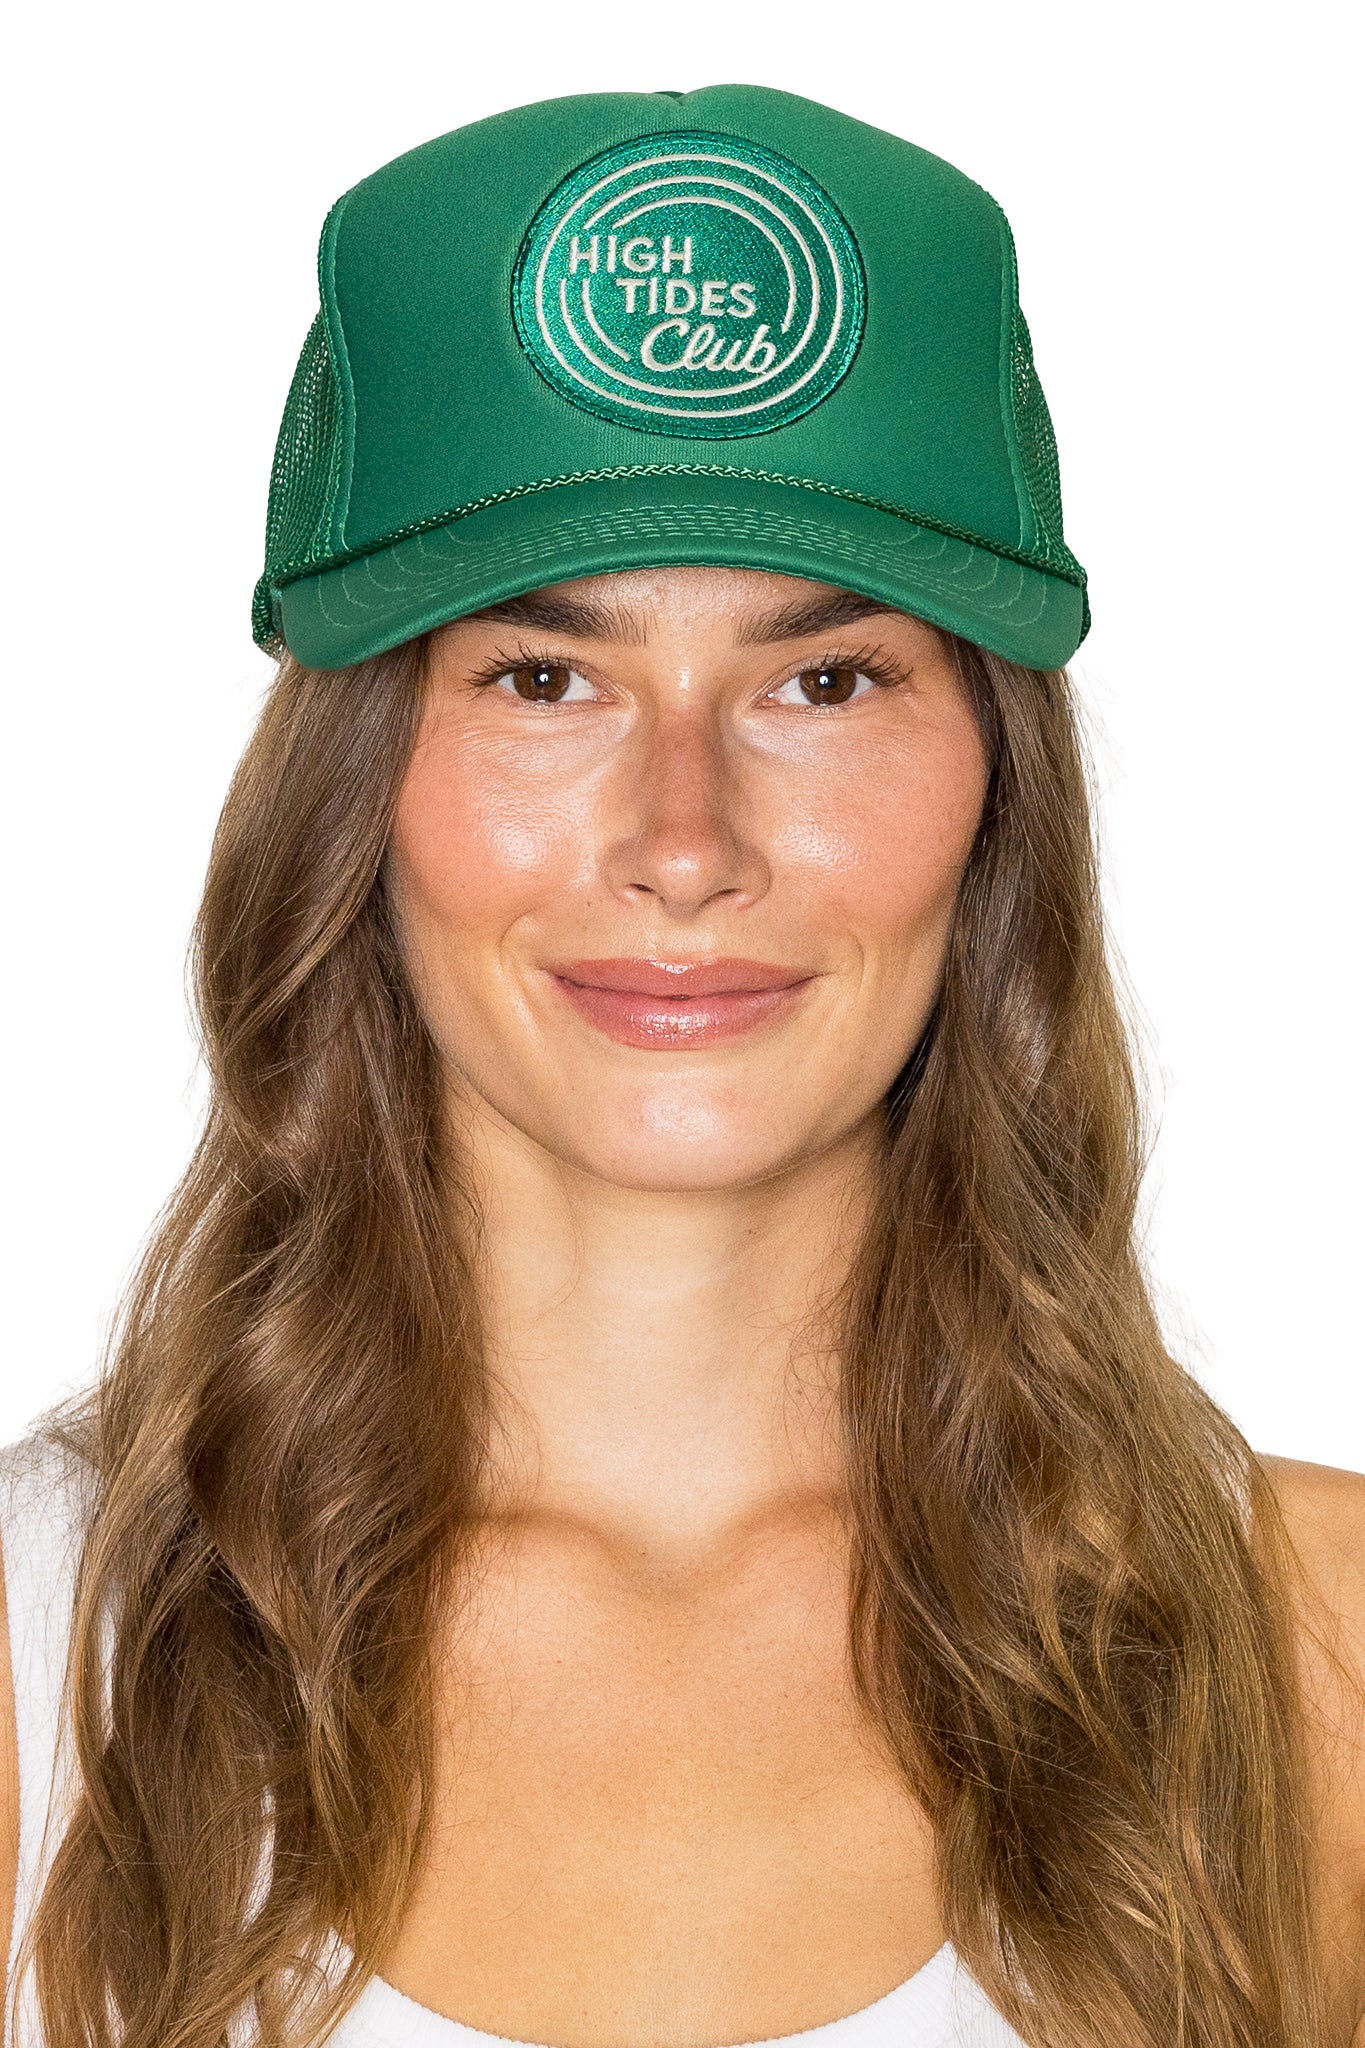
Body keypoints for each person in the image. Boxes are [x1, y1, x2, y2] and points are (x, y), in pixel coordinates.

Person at [1, 83, 1362, 2048]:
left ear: (995, 786)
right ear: (352, 788)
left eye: (824, 680)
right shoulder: (42, 1672)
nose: (684, 838)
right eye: (543, 678)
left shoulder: (1320, 1664)